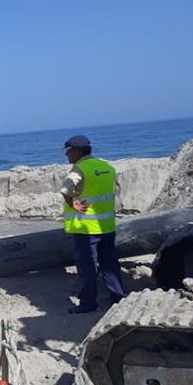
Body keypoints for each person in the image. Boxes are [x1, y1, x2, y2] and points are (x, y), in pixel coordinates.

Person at [60, 135, 125, 314]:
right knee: (110, 264)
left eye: (68, 151)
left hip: (86, 229)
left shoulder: (79, 169)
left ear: (77, 151)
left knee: (87, 268)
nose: (66, 156)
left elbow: (64, 189)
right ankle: (118, 299)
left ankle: (88, 304)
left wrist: (72, 203)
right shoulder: (107, 167)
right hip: (107, 226)